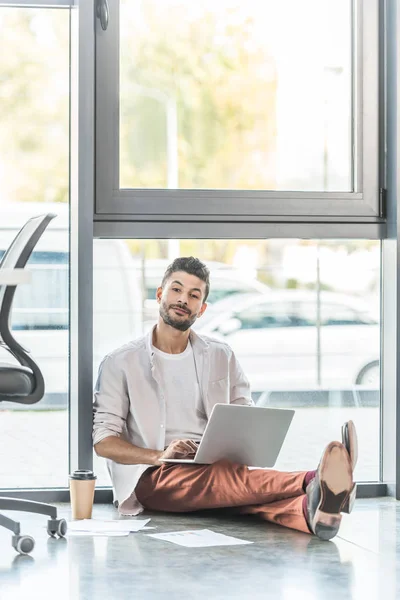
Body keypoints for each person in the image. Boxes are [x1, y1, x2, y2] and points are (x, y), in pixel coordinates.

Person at [93, 256, 358, 541]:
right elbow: (103, 441)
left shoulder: (221, 354)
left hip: (216, 466)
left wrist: (237, 443)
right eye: (176, 289)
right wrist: (159, 455)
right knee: (225, 481)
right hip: (153, 475)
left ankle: (314, 512)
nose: (183, 299)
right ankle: (312, 480)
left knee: (234, 489)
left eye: (194, 295)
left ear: (202, 308)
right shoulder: (120, 361)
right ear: (160, 294)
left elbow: (244, 413)